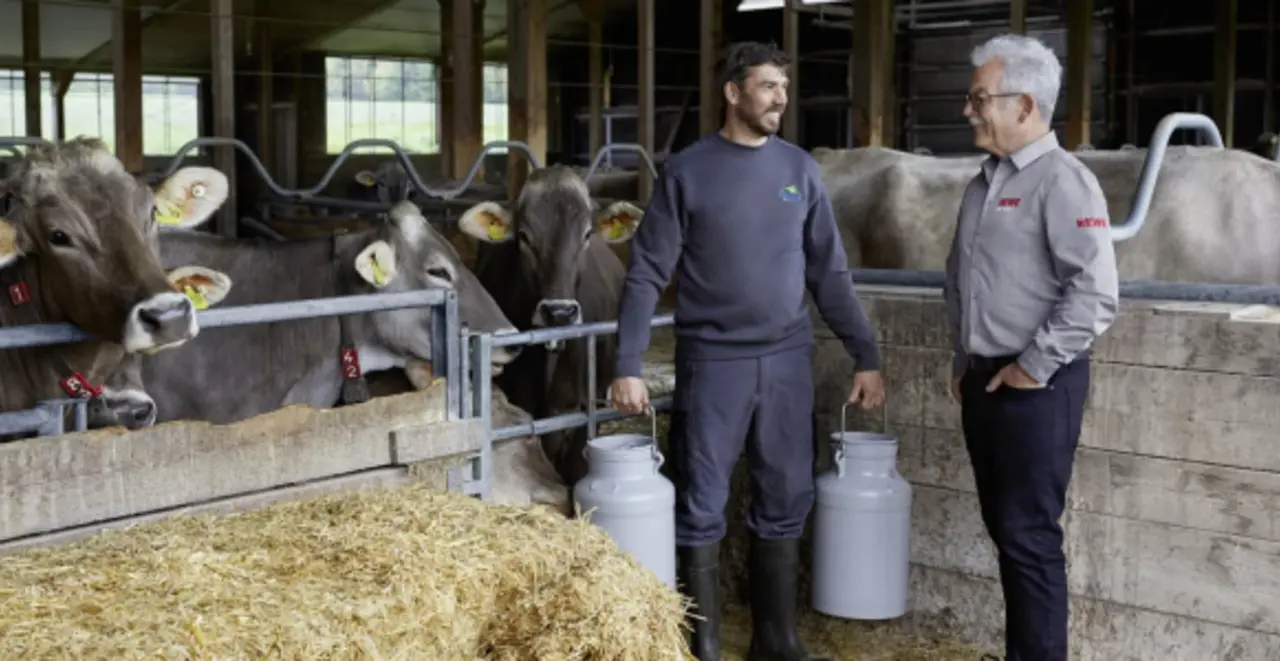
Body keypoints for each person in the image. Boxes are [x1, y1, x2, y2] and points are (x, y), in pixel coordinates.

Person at [609, 41, 885, 661]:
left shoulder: (799, 170)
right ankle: (703, 643)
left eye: (783, 88)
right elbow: (647, 272)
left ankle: (776, 639)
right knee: (702, 497)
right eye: (766, 86)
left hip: (787, 358)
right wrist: (626, 363)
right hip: (714, 360)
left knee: (787, 492)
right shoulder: (688, 171)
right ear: (733, 93)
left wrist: (864, 353)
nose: (779, 99)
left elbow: (830, 272)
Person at [944, 34, 1119, 661]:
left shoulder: (1066, 183)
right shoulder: (982, 182)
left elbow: (1096, 292)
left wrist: (1030, 367)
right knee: (1007, 531)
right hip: (984, 382)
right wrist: (965, 359)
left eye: (979, 99)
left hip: (1037, 387)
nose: (969, 110)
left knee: (1029, 536)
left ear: (1024, 105)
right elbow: (959, 277)